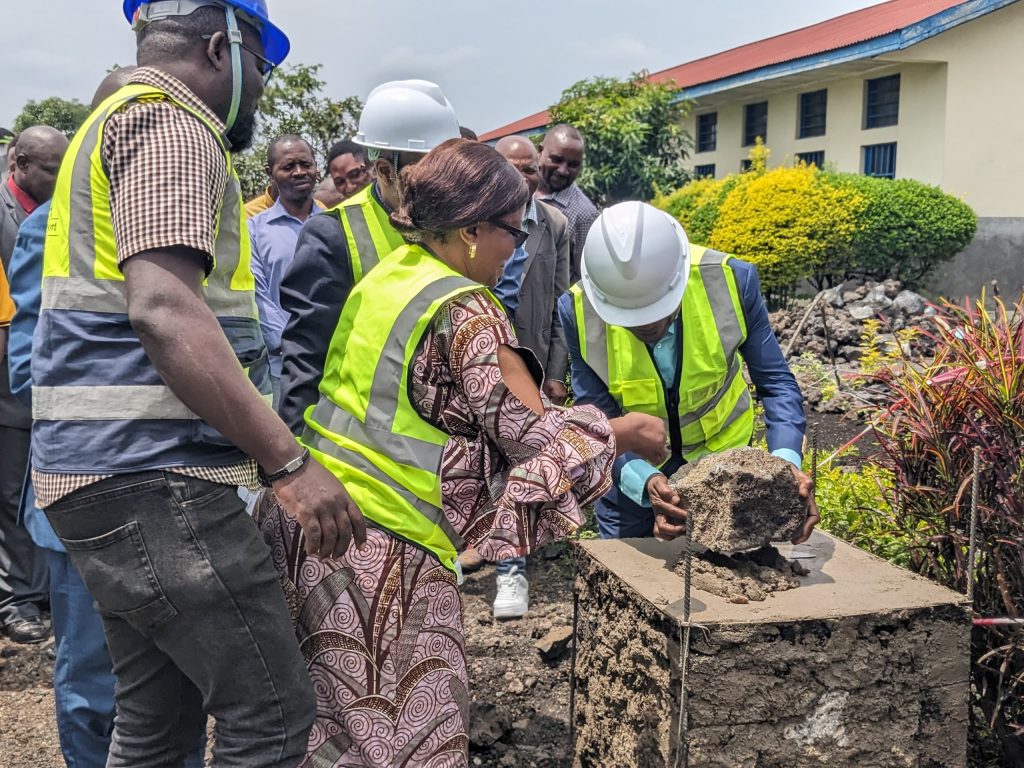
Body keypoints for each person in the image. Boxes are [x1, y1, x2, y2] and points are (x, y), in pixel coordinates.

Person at [259, 138, 665, 766]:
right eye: (513, 230)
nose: (520, 247)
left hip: (313, 526)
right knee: (404, 736)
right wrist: (624, 433)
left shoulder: (391, 276)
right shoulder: (467, 309)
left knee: (332, 734)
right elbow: (535, 440)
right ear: (472, 228)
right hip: (381, 550)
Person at [32, 3, 366, 765]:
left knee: (156, 723)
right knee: (273, 717)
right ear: (224, 48)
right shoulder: (173, 126)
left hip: (102, 475)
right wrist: (287, 462)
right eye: (265, 68)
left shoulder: (111, 120)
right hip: (157, 479)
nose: (265, 93)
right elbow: (164, 309)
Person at [558, 201, 820, 543]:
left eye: (658, 310)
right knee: (630, 585)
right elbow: (596, 417)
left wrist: (784, 465)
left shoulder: (730, 281)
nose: (649, 325)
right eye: (632, 318)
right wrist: (646, 482)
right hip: (633, 477)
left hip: (729, 475)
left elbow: (776, 384)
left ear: (678, 280)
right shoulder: (577, 311)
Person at [277, 79, 462, 433]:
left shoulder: (458, 224)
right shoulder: (333, 236)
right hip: (361, 447)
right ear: (384, 171)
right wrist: (293, 462)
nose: (438, 183)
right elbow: (306, 357)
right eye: (422, 171)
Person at [476, 135, 571, 619]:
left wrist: (555, 372)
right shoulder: (470, 222)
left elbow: (561, 305)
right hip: (474, 360)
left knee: (520, 464)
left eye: (527, 170)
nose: (520, 179)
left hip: (527, 364)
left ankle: (512, 570)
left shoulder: (553, 224)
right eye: (509, 169)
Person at [1, 124, 68, 645]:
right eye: (51, 167)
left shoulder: (67, 212)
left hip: (43, 370)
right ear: (19, 162)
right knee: (11, 490)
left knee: (35, 484)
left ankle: (41, 588)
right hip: (11, 367)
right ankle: (16, 597)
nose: (61, 175)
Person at [249, 134, 322, 402]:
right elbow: (258, 295)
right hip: (283, 367)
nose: (299, 172)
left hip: (333, 362)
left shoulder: (334, 224)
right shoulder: (255, 230)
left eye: (306, 164)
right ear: (271, 173)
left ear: (316, 166)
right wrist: (291, 344)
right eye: (288, 167)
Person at [536, 124, 599, 283]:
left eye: (573, 165)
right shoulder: (518, 191)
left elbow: (584, 277)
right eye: (556, 160)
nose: (563, 170)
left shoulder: (584, 214)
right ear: (540, 151)